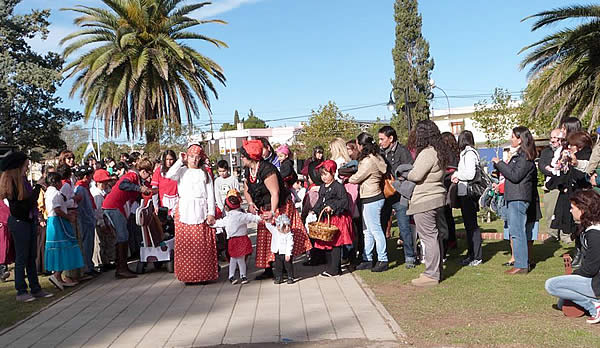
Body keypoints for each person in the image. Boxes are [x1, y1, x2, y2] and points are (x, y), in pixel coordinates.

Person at [241, 140, 312, 279]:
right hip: (264, 207)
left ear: (250, 156)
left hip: (280, 207)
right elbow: (246, 189)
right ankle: (269, 269)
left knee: (282, 236)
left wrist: (273, 212)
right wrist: (250, 203)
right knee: (266, 239)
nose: (241, 158)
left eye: (243, 156)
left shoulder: (267, 169)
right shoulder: (248, 170)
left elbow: (275, 192)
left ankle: (286, 269)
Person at [0, 152, 54, 302]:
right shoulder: (12, 183)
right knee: (22, 258)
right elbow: (22, 207)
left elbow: (29, 204)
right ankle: (21, 291)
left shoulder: (23, 181)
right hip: (19, 222)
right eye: (25, 165)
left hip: (28, 221)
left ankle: (35, 288)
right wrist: (37, 188)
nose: (27, 168)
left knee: (32, 257)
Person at [545, 189, 600, 324]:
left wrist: (572, 276)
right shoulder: (588, 229)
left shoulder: (595, 234)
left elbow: (590, 269)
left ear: (583, 209)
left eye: (572, 208)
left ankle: (594, 306)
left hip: (597, 282)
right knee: (562, 303)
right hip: (594, 279)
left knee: (551, 285)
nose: (570, 211)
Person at [166, 144, 218, 284]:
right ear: (187, 157)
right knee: (186, 246)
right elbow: (169, 175)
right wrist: (180, 161)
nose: (194, 160)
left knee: (202, 246)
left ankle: (203, 275)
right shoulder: (181, 171)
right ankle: (187, 276)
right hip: (185, 211)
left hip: (201, 211)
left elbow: (210, 195)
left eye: (197, 157)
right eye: (191, 157)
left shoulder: (204, 173)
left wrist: (211, 213)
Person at [407, 120, 450, 287]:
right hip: (438, 197)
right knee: (435, 236)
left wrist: (407, 173)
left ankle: (431, 274)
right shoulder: (439, 152)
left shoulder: (427, 153)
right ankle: (435, 270)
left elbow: (416, 175)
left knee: (429, 237)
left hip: (425, 199)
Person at [492, 126, 539, 275]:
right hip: (514, 197)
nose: (511, 139)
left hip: (519, 198)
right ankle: (520, 263)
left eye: (513, 136)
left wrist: (500, 164)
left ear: (520, 139)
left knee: (518, 231)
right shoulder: (520, 156)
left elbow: (515, 175)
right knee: (515, 231)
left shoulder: (524, 157)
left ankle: (521, 264)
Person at [102, 158, 153, 279]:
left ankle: (121, 266)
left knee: (123, 235)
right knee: (123, 236)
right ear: (143, 171)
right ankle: (121, 268)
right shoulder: (132, 176)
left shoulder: (137, 180)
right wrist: (139, 189)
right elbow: (124, 185)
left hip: (115, 206)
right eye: (149, 172)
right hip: (113, 206)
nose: (149, 176)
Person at [349, 132, 389, 272]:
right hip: (372, 196)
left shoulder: (367, 161)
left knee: (375, 230)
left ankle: (383, 259)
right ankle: (368, 258)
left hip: (372, 197)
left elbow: (358, 177)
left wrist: (348, 178)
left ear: (361, 145)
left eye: (358, 144)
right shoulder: (377, 157)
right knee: (368, 231)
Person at [378, 125, 416, 269]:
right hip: (385, 195)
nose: (380, 142)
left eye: (382, 139)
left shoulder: (403, 152)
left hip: (399, 196)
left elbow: (409, 171)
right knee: (381, 226)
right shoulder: (380, 153)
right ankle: (382, 256)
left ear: (391, 138)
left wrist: (398, 181)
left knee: (404, 227)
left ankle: (410, 256)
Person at [310, 160, 353, 277]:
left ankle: (334, 269)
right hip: (327, 219)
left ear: (333, 173)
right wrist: (314, 210)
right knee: (328, 243)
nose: (323, 177)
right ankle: (333, 267)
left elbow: (344, 201)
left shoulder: (338, 187)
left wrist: (332, 207)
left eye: (326, 174)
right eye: (322, 175)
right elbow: (320, 201)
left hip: (337, 218)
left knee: (336, 244)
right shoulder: (323, 187)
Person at [44, 172, 84, 290]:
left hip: (54, 221)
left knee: (59, 249)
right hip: (58, 222)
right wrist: (68, 217)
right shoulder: (55, 193)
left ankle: (59, 277)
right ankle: (57, 275)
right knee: (64, 247)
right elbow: (57, 209)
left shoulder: (49, 192)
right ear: (56, 182)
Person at [211, 194, 260, 285]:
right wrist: (261, 217)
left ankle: (232, 276)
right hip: (242, 239)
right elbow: (253, 218)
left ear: (226, 207)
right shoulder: (242, 216)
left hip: (233, 241)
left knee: (234, 258)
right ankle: (242, 275)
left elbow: (219, 223)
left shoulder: (228, 217)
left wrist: (211, 223)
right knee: (241, 259)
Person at [452, 130, 483, 266]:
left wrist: (458, 175)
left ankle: (477, 256)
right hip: (465, 193)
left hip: (469, 194)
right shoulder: (466, 153)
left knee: (472, 226)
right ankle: (472, 254)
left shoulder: (469, 154)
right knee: (469, 225)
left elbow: (470, 174)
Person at [539, 129, 565, 243]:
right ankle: (552, 234)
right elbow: (541, 164)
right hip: (551, 185)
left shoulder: (565, 151)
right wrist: (551, 170)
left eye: (555, 138)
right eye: (552, 138)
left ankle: (565, 235)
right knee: (550, 211)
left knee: (564, 211)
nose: (553, 140)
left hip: (563, 185)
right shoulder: (546, 152)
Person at [74, 166, 98, 277]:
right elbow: (82, 207)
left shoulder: (85, 187)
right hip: (85, 220)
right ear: (85, 177)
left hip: (89, 219)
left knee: (89, 244)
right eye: (90, 175)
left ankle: (90, 265)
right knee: (86, 244)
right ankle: (87, 267)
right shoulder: (80, 188)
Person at [90, 169, 115, 272]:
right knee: (99, 242)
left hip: (106, 219)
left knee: (107, 240)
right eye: (103, 182)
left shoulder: (105, 191)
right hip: (99, 221)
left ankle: (107, 260)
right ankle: (99, 263)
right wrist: (101, 223)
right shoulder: (96, 194)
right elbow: (98, 210)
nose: (105, 184)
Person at [265, 215, 295, 284]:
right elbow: (268, 226)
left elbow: (290, 245)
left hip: (286, 253)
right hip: (277, 252)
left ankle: (290, 277)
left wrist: (288, 254)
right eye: (284, 226)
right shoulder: (275, 230)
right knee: (278, 266)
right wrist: (267, 220)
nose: (287, 228)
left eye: (288, 226)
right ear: (278, 226)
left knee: (288, 266)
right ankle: (279, 277)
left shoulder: (289, 235)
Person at [151, 150, 179, 216]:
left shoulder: (179, 170)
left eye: (171, 159)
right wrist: (155, 205)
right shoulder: (159, 171)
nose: (169, 162)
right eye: (167, 159)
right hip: (163, 206)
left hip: (177, 205)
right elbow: (154, 189)